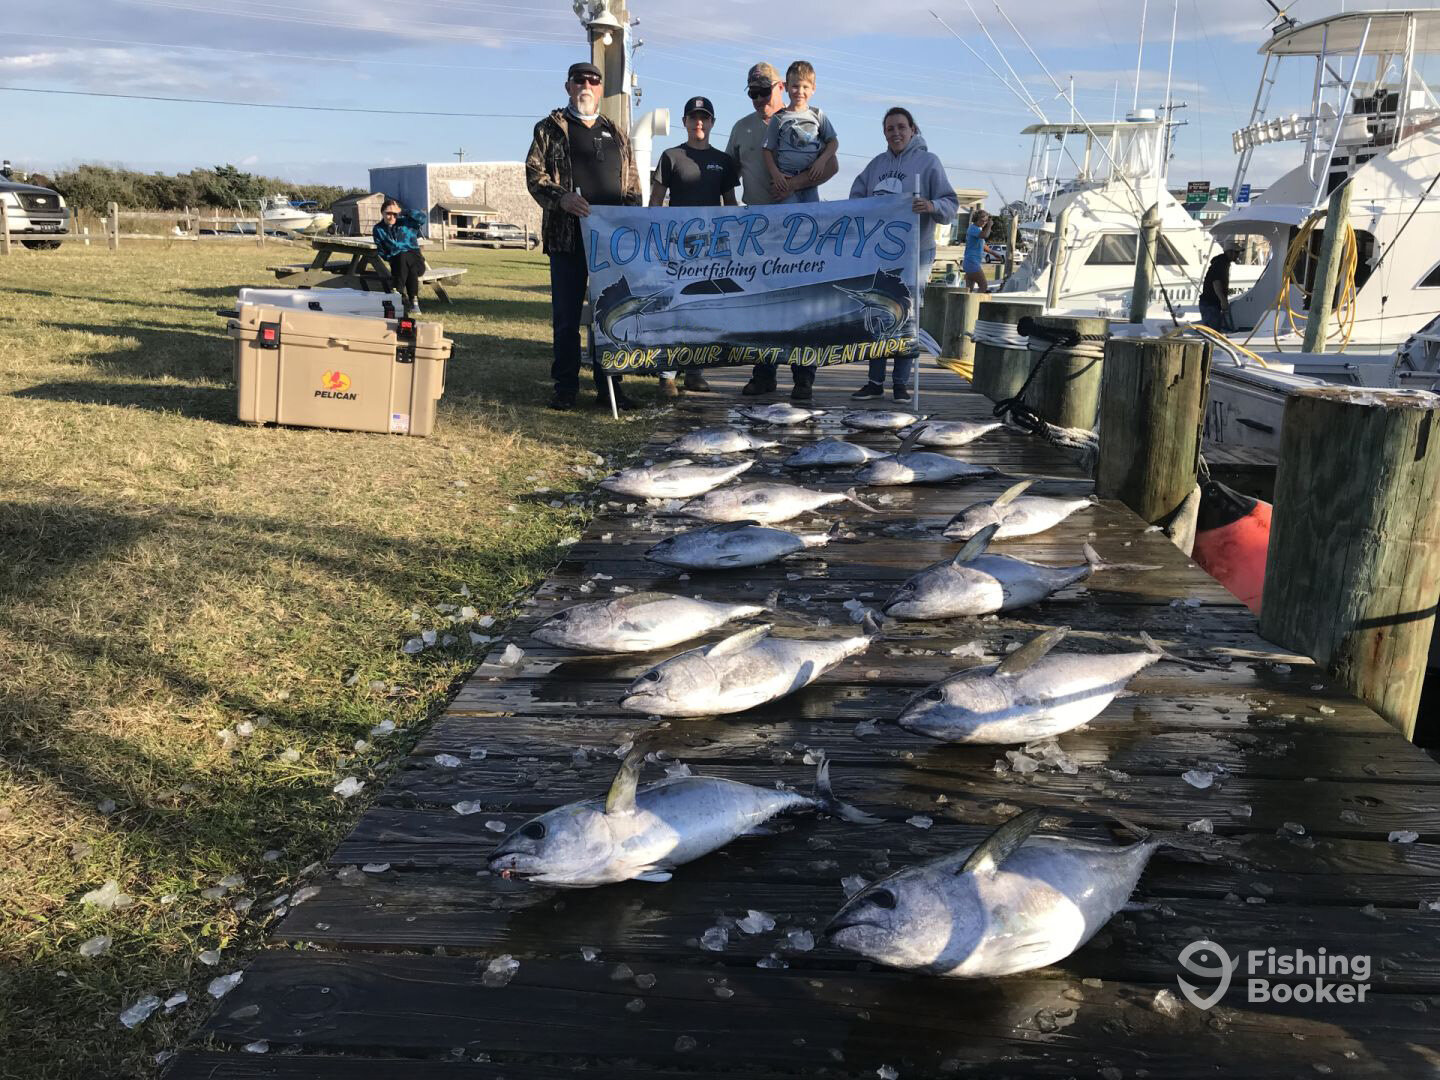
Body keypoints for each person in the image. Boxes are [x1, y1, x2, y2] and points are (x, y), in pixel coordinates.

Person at [525, 60, 643, 412]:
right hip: (568, 240)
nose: (586, 87)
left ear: (600, 89)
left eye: (592, 81)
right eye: (579, 81)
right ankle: (565, 386)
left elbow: (632, 184)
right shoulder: (549, 128)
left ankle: (611, 386)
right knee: (566, 317)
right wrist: (562, 198)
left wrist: (633, 223)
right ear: (568, 87)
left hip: (610, 243)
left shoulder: (616, 132)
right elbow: (534, 176)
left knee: (613, 313)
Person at [726, 62, 838, 401]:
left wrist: (794, 184)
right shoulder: (741, 128)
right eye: (753, 93)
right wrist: (732, 214)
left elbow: (831, 163)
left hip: (799, 225)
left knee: (804, 302)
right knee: (763, 304)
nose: (759, 98)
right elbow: (729, 178)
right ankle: (764, 375)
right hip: (759, 229)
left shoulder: (806, 118)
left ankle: (803, 377)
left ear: (781, 87)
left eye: (764, 90)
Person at [847, 107, 959, 403]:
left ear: (912, 129)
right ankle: (874, 381)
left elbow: (950, 203)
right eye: (889, 129)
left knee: (908, 316)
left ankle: (900, 382)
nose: (895, 133)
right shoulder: (876, 165)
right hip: (880, 255)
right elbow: (854, 200)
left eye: (900, 127)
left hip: (916, 253)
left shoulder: (929, 162)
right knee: (877, 312)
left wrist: (931, 206)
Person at [650, 94, 740, 398]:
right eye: (693, 117)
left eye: (704, 117)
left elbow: (730, 204)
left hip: (712, 248)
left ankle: (695, 371)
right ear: (684, 121)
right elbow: (655, 201)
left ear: (712, 122)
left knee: (703, 307)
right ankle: (667, 374)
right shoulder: (670, 156)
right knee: (675, 307)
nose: (698, 122)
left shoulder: (724, 161)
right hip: (677, 246)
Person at [762, 60, 838, 206]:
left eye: (805, 87)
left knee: (810, 221)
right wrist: (776, 174)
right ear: (786, 87)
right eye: (795, 86)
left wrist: (821, 162)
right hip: (786, 180)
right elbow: (766, 149)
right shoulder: (779, 117)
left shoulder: (817, 114)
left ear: (813, 89)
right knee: (788, 222)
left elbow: (833, 142)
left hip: (810, 180)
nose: (800, 91)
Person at [373, 198, 428, 316]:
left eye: (395, 213)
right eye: (388, 213)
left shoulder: (407, 222)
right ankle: (414, 302)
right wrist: (391, 257)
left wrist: (405, 211)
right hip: (398, 264)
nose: (392, 216)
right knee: (404, 262)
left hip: (416, 261)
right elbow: (380, 249)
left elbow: (422, 218)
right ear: (382, 213)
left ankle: (397, 292)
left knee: (404, 256)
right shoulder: (378, 229)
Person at [1200, 247, 1240, 331]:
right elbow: (1216, 282)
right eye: (1236, 252)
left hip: (1209, 304)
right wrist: (1223, 300)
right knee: (1213, 334)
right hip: (1211, 305)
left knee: (1211, 333)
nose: (1238, 255)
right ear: (1229, 252)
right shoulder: (1221, 264)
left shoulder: (1220, 262)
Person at [963, 209, 1000, 294]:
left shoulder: (978, 229)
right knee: (983, 285)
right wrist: (989, 226)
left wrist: (994, 253)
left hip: (970, 262)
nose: (984, 222)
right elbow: (985, 235)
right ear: (976, 219)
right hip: (972, 262)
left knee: (969, 290)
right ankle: (976, 304)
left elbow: (983, 245)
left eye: (986, 221)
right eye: (982, 220)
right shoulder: (973, 228)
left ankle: (966, 305)